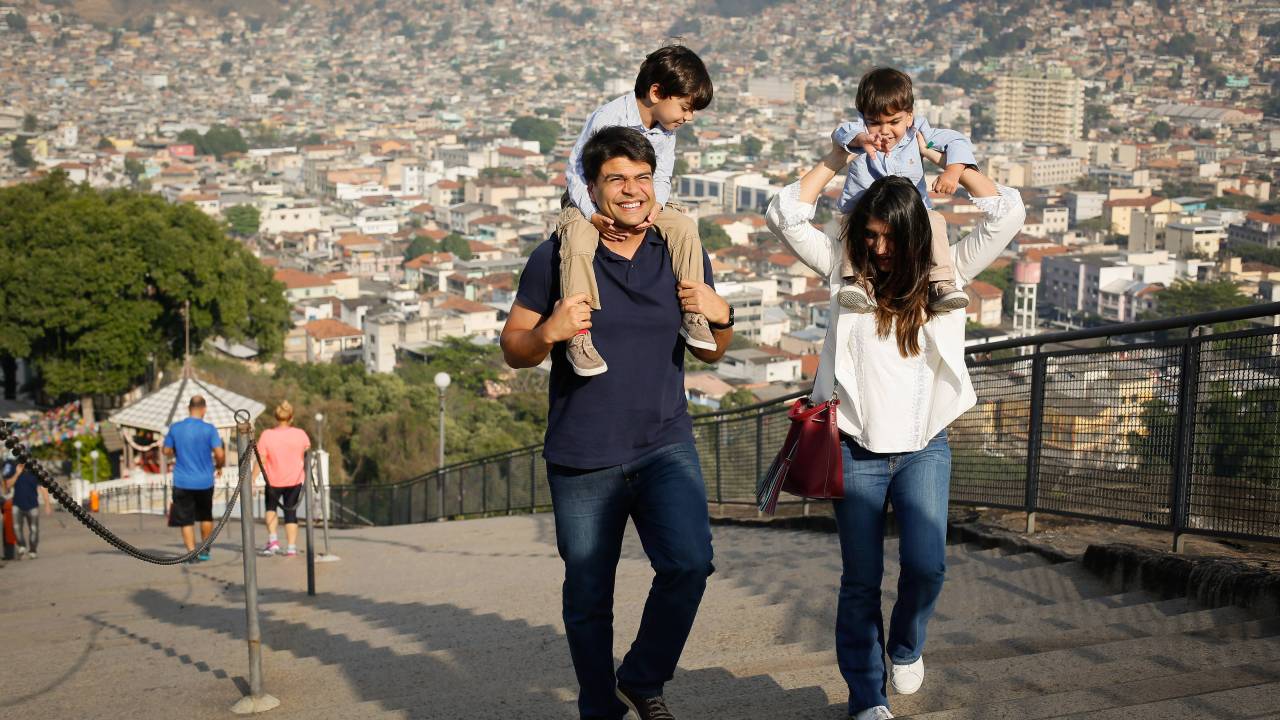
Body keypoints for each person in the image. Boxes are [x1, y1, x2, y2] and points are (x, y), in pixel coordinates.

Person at [766, 132, 1025, 720]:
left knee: (928, 565)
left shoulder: (946, 272)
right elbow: (785, 212)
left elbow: (1008, 212)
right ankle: (866, 697)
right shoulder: (843, 270)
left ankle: (906, 645)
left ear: (914, 235)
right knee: (860, 580)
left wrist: (949, 161)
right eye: (870, 235)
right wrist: (840, 158)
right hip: (855, 448)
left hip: (923, 446)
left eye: (889, 237)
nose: (878, 248)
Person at [501, 126, 734, 720]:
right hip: (583, 454)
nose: (631, 190)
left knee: (688, 563)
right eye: (616, 179)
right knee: (588, 596)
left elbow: (712, 351)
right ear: (592, 186)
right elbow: (514, 346)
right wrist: (549, 333)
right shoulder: (556, 256)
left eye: (641, 177)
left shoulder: (679, 248)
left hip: (664, 442)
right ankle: (599, 706)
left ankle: (642, 675)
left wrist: (723, 314)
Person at [559, 44, 717, 377]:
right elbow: (576, 171)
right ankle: (578, 334)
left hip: (643, 200)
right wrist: (591, 214)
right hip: (592, 199)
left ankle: (693, 314)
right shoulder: (609, 118)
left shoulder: (666, 130)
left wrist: (655, 205)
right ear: (657, 92)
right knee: (576, 240)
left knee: (684, 228)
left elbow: (661, 175)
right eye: (685, 107)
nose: (688, 118)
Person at [830, 67, 978, 315]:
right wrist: (861, 140)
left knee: (936, 221)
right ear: (863, 117)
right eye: (875, 122)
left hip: (910, 214)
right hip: (864, 211)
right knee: (851, 224)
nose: (884, 130)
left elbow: (957, 141)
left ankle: (941, 282)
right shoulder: (859, 132)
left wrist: (952, 172)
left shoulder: (919, 134)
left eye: (894, 121)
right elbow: (840, 133)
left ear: (909, 117)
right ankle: (857, 281)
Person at [163, 395, 225, 563]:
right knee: (206, 516)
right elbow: (219, 453)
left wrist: (174, 450)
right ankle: (205, 549)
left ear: (189, 408)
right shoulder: (209, 429)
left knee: (186, 518)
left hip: (182, 480)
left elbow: (166, 451)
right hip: (205, 480)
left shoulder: (175, 428)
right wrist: (219, 466)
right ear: (204, 409)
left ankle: (191, 553)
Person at [254, 400, 311, 558]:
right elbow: (307, 450)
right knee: (290, 513)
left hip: (273, 480)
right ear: (291, 417)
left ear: (276, 417)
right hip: (295, 480)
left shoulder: (267, 435)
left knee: (271, 509)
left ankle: (273, 541)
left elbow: (261, 460)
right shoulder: (300, 434)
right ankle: (291, 547)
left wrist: (251, 479)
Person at [10, 460, 52, 558]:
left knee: (34, 529)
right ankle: (22, 546)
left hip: (32, 505)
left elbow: (43, 488)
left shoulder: (35, 472)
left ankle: (32, 550)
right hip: (17, 504)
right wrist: (17, 473)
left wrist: (47, 505)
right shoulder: (15, 469)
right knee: (16, 528)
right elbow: (8, 485)